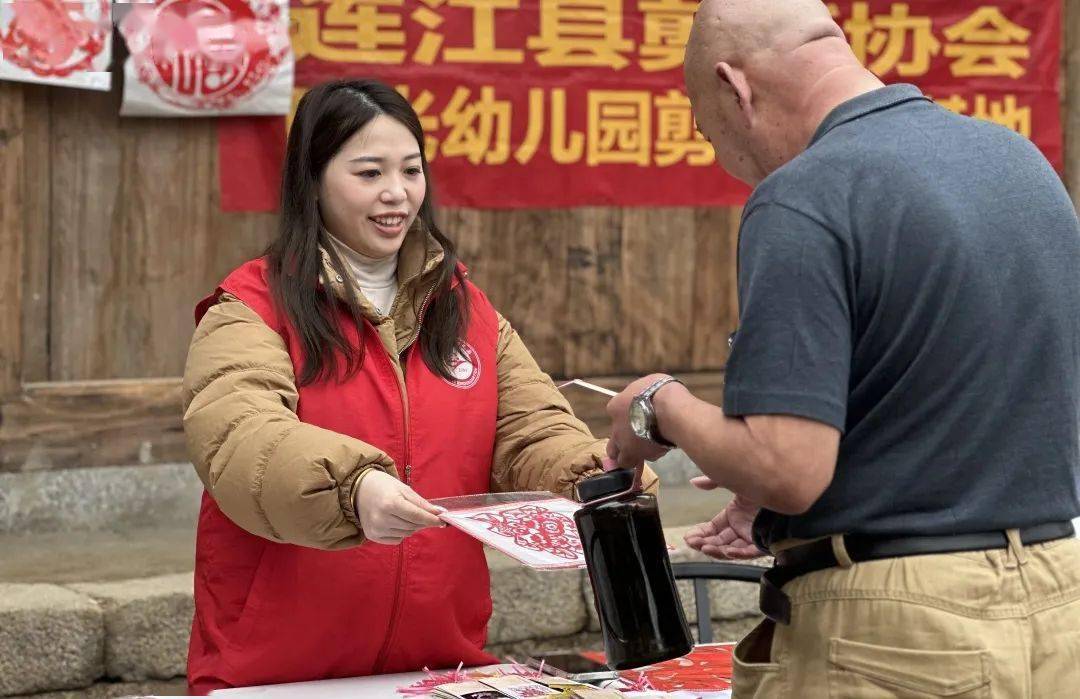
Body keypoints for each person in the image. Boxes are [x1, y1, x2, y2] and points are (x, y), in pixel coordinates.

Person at [605, 0, 1080, 696]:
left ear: (735, 86)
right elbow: (968, 403)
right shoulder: (1018, 162)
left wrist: (660, 404)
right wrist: (782, 509)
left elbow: (785, 464)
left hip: (899, 633)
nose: (732, 163)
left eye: (712, 134)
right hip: (1058, 602)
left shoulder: (806, 193)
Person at [182, 78, 657, 694]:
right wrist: (353, 488)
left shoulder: (465, 307)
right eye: (369, 172)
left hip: (436, 665)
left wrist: (592, 473)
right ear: (313, 180)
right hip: (275, 670)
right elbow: (240, 436)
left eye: (411, 170)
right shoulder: (250, 308)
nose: (396, 194)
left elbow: (528, 428)